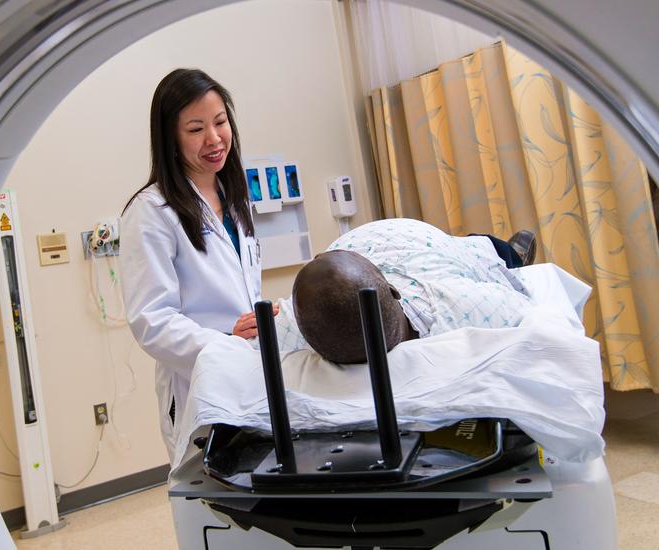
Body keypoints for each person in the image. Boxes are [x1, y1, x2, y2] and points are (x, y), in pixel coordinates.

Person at [119, 68, 273, 456]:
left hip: (250, 370)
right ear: (170, 137)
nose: (214, 138)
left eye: (220, 122)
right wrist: (225, 343)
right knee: (206, 498)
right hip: (197, 382)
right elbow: (151, 320)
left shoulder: (237, 199)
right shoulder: (151, 211)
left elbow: (240, 289)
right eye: (195, 129)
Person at [287, 218, 535, 364]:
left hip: (364, 251)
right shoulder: (468, 304)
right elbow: (532, 311)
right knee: (483, 252)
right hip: (426, 247)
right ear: (395, 291)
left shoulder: (287, 325)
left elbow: (252, 340)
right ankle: (510, 254)